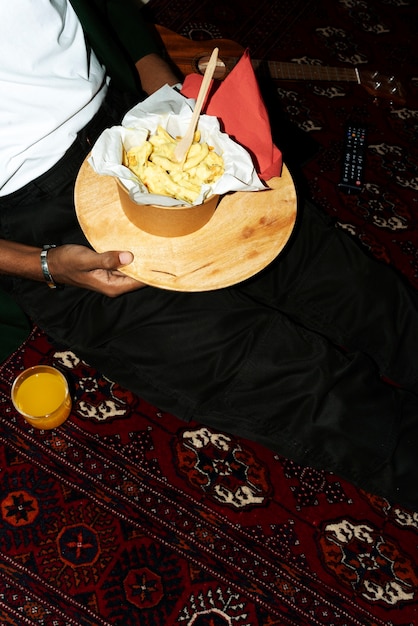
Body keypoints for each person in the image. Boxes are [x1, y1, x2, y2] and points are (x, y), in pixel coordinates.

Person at [1, 1, 418, 510]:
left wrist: (150, 66)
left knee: (353, 289)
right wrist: (43, 265)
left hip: (129, 122)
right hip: (35, 218)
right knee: (304, 388)